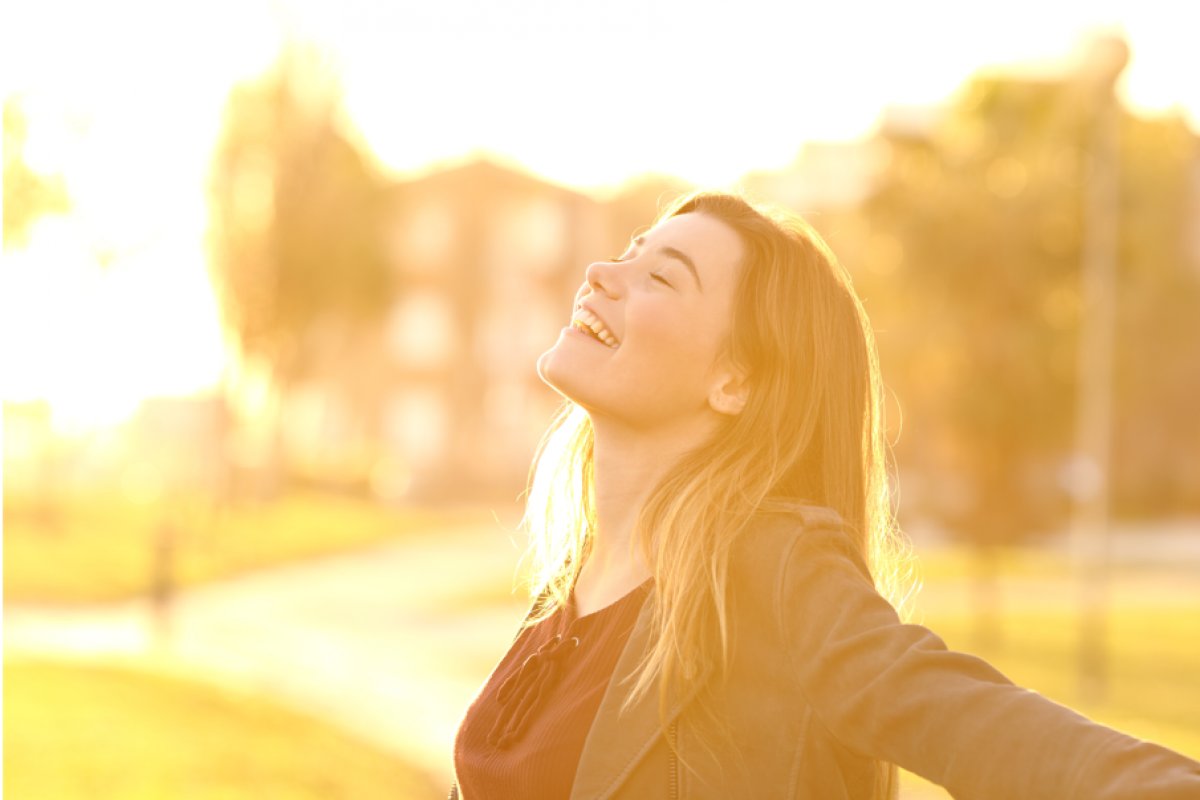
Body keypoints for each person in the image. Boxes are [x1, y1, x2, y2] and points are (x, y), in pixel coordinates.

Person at [451, 191, 1200, 799]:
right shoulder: (570, 585)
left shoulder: (770, 567)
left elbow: (961, 715)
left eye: (662, 276)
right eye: (626, 255)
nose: (600, 273)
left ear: (734, 380)